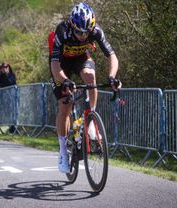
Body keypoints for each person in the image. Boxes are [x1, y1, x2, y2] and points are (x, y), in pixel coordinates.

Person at [49, 2, 120, 173]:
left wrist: (112, 77)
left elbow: (112, 56)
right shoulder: (62, 31)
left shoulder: (95, 31)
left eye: (86, 32)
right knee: (65, 106)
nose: (83, 35)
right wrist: (65, 80)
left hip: (81, 58)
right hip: (61, 64)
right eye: (80, 32)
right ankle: (62, 152)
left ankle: (91, 120)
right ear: (73, 25)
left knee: (90, 76)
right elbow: (55, 65)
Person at [0, 62, 17, 133]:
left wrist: (6, 74)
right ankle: (10, 127)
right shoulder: (1, 76)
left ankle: (13, 128)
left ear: (9, 68)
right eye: (3, 67)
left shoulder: (12, 75)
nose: (4, 69)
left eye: (6, 67)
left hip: (11, 97)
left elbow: (10, 82)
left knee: (12, 113)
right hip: (3, 97)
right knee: (6, 113)